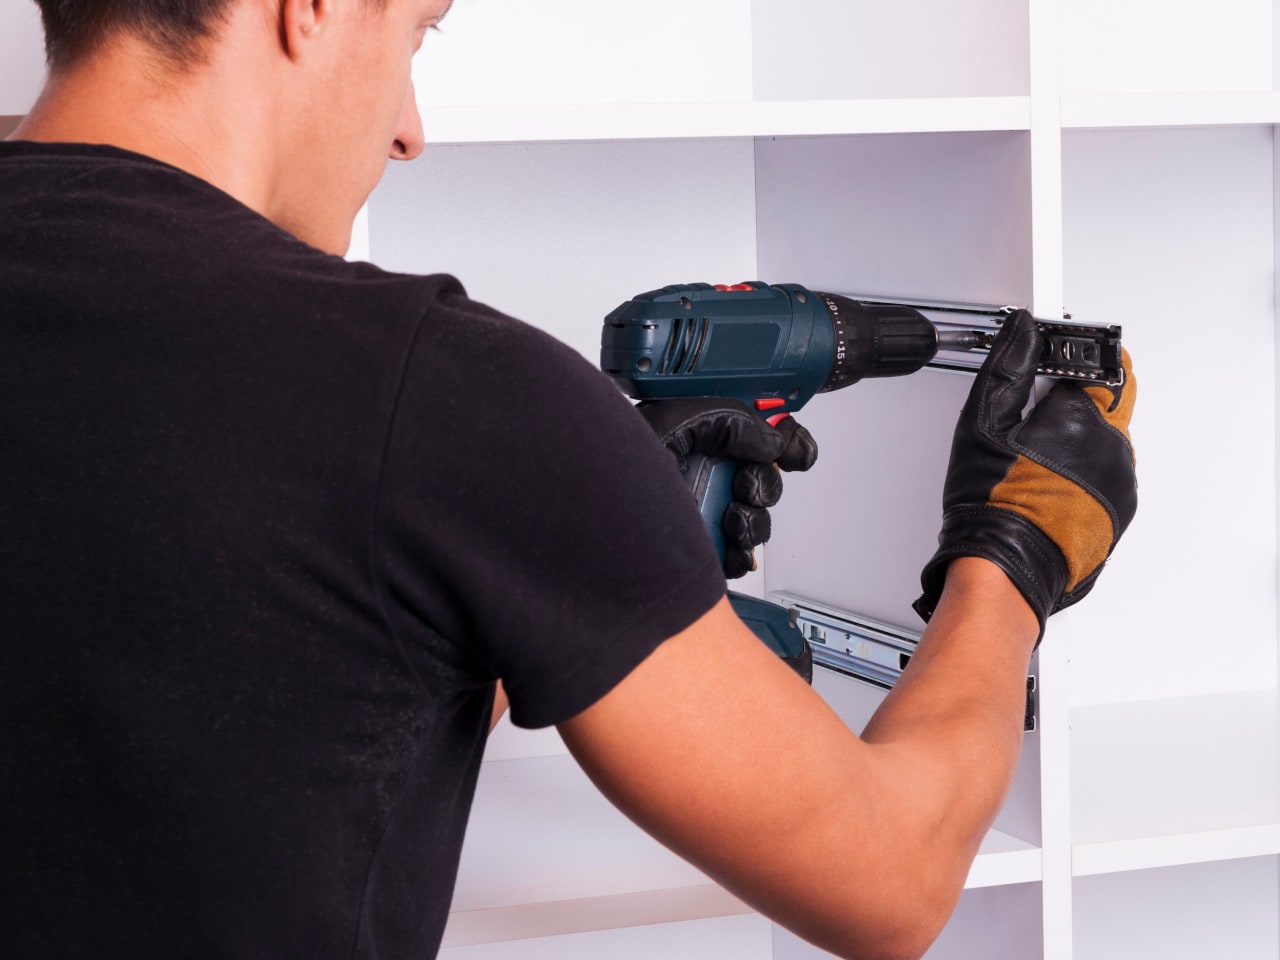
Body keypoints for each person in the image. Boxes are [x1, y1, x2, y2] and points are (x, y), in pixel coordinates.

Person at [0, 0, 1138, 958]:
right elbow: (889, 879)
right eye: (417, 34)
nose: (409, 131)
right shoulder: (438, 391)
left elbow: (221, 665)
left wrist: (565, 577)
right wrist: (1013, 556)